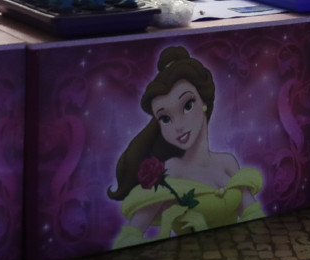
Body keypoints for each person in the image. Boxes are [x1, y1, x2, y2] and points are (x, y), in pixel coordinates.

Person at [110, 46, 263, 247]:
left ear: (204, 101)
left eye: (187, 105)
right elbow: (126, 240)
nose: (178, 126)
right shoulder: (170, 171)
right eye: (165, 118)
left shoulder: (227, 163)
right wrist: (166, 229)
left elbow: (254, 218)